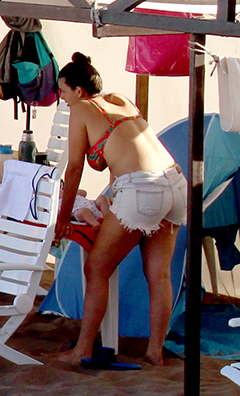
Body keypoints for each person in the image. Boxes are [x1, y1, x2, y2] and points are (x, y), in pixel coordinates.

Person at [52, 53, 186, 367]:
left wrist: (62, 218)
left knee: (96, 268)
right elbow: (123, 148)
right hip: (175, 183)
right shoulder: (120, 100)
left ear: (79, 92)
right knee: (159, 273)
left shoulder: (81, 110)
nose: (61, 97)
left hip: (142, 189)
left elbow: (74, 169)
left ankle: (82, 349)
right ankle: (154, 353)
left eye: (63, 91)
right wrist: (114, 200)